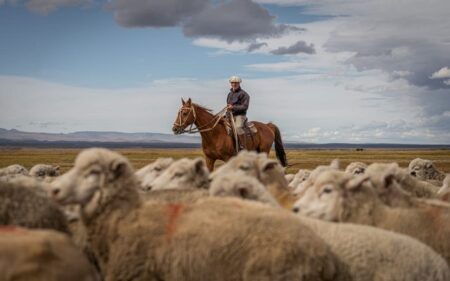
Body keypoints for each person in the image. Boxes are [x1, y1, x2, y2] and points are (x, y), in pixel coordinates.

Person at [226, 75, 250, 150]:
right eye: (232, 82)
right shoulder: (229, 94)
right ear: (230, 83)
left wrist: (233, 107)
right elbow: (228, 106)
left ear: (239, 83)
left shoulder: (244, 94)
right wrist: (226, 115)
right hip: (230, 115)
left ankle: (243, 146)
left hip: (240, 115)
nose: (234, 84)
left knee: (238, 128)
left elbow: (245, 107)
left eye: (236, 83)